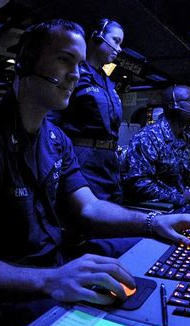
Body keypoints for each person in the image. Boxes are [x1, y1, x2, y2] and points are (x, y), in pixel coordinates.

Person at [0, 20, 190, 326]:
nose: (76, 74)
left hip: (58, 263)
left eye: (80, 63)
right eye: (64, 59)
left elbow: (89, 208)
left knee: (159, 251)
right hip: (12, 289)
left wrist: (153, 222)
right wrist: (53, 279)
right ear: (27, 63)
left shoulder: (56, 139)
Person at [49, 18, 125, 203]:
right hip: (83, 161)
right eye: (115, 40)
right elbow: (50, 120)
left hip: (109, 163)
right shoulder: (75, 74)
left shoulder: (107, 81)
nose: (119, 49)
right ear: (97, 37)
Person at [121, 85, 190, 211]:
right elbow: (137, 184)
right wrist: (181, 197)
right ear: (173, 106)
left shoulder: (186, 138)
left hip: (183, 205)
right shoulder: (147, 138)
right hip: (161, 211)